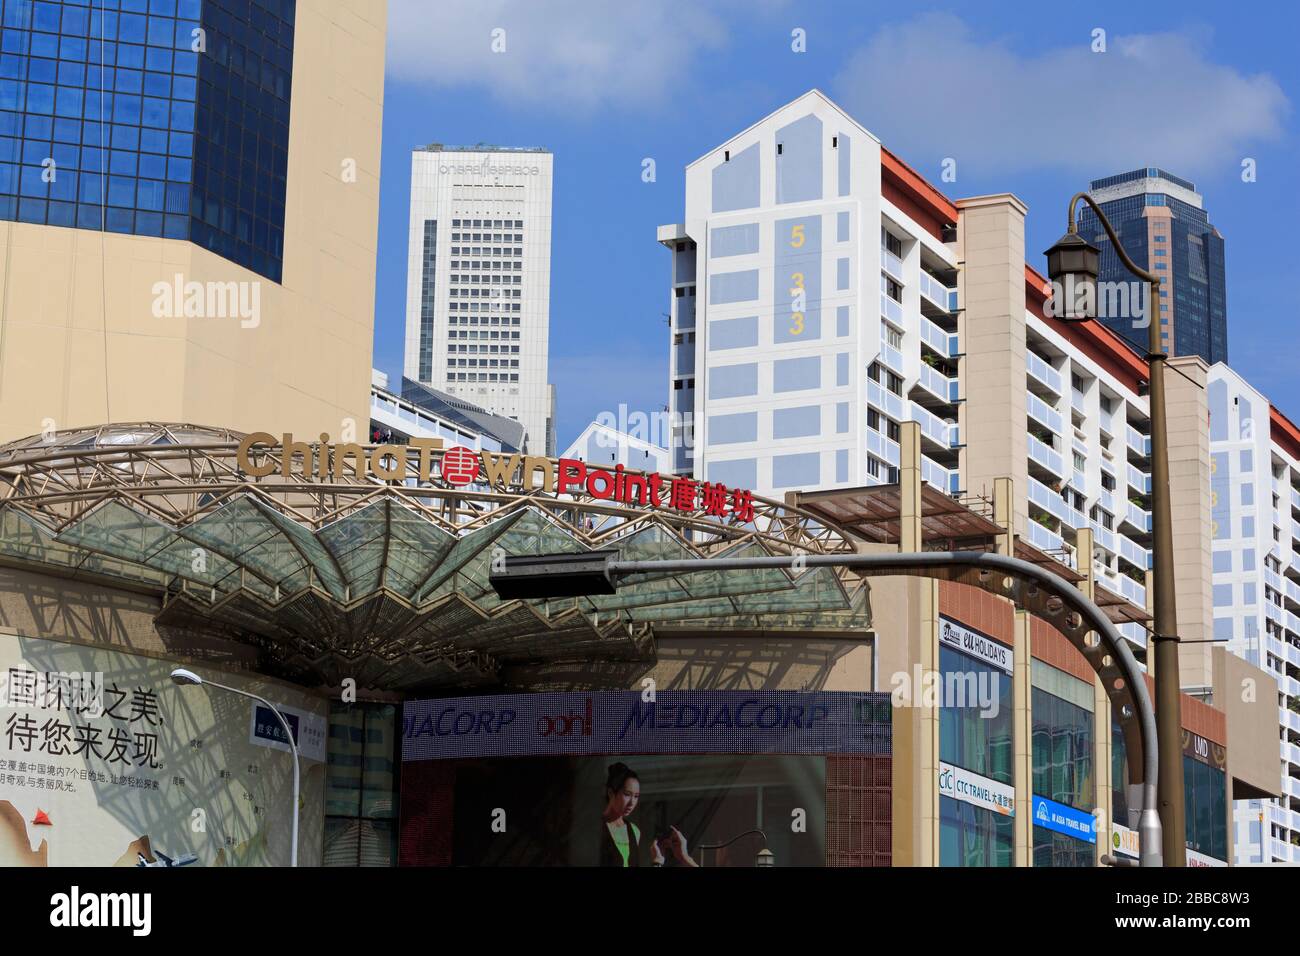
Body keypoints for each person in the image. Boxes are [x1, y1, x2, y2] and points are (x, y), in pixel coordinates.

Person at [599, 762, 698, 867]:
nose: (632, 803)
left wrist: (658, 862)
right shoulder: (594, 830)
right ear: (611, 793)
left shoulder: (634, 830)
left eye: (636, 796)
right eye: (627, 794)